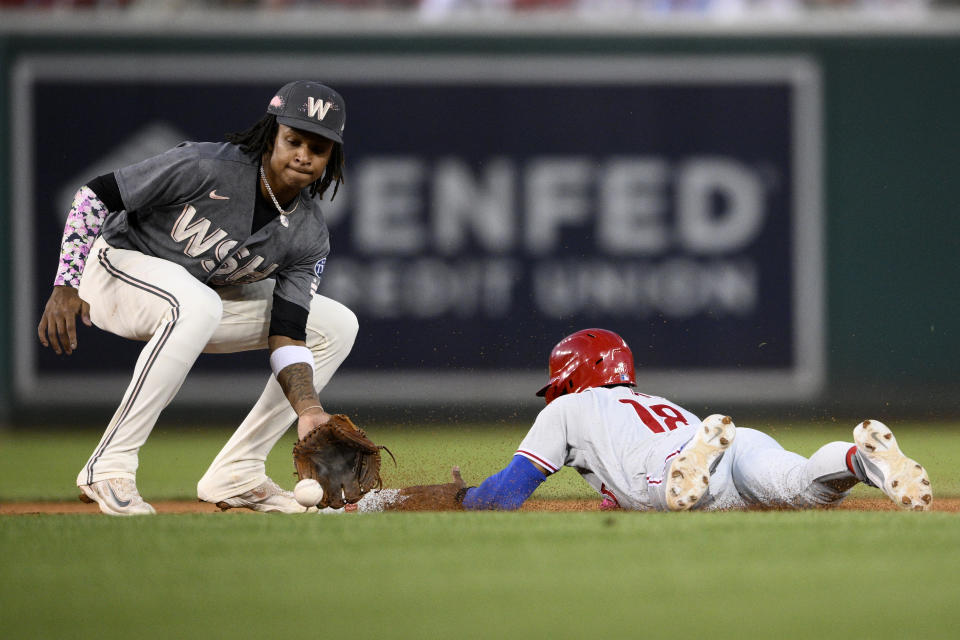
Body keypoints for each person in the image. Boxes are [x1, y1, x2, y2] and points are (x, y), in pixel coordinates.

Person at [37, 80, 358, 516]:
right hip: (113, 270)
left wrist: (308, 408)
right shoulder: (205, 165)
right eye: (293, 140)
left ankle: (239, 472)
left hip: (193, 300)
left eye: (317, 148)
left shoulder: (308, 234)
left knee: (337, 324)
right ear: (271, 136)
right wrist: (66, 283)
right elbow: (94, 196)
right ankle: (107, 467)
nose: (303, 154)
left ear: (331, 159)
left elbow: (286, 334)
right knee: (196, 304)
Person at [363, 328, 932, 513]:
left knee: (663, 487)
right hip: (722, 437)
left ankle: (685, 468)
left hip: (670, 465)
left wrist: (441, 498)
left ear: (571, 378)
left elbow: (507, 494)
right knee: (801, 486)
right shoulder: (654, 401)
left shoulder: (568, 408)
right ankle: (861, 459)